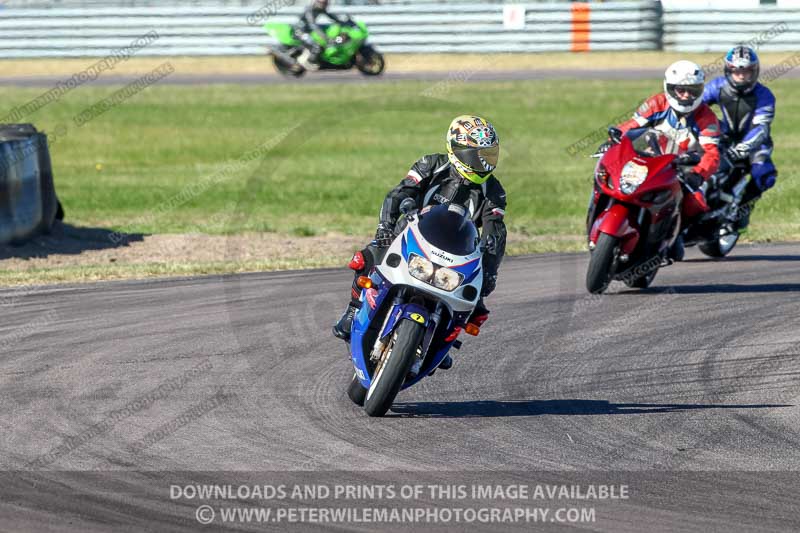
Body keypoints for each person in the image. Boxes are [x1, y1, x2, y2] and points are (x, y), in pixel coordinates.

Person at [333, 115, 508, 360]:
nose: (483, 162)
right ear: (456, 149)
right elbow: (398, 194)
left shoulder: (494, 191)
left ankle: (441, 337)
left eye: (488, 155)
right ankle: (353, 310)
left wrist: (490, 272)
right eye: (476, 155)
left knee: (475, 302)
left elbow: (495, 232)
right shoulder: (430, 164)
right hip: (410, 238)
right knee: (367, 258)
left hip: (454, 256)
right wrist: (385, 230)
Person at [599, 60, 721, 259]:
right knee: (609, 174)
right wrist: (611, 141)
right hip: (648, 160)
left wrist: (698, 175)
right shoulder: (657, 103)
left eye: (692, 90)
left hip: (682, 169)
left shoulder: (706, 117)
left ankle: (675, 233)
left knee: (697, 204)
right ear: (670, 88)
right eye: (681, 90)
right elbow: (630, 126)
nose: (686, 95)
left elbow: (712, 154)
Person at [703, 46, 776, 230]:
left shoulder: (764, 95)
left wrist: (742, 149)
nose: (742, 76)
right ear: (729, 70)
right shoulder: (716, 86)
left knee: (764, 174)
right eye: (737, 71)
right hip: (725, 137)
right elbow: (694, 104)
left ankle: (744, 208)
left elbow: (761, 128)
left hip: (755, 143)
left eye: (747, 71)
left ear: (755, 71)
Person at [294, 0, 346, 69]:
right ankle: (309, 62)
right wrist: (324, 36)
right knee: (316, 45)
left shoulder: (320, 9)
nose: (325, 5)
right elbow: (313, 25)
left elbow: (331, 16)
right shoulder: (309, 10)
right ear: (317, 2)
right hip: (301, 32)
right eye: (324, 3)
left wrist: (342, 22)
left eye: (326, 3)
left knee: (323, 43)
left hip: (309, 31)